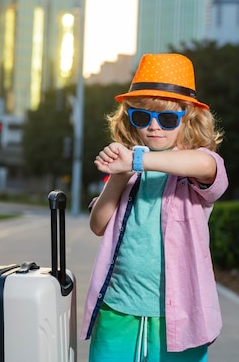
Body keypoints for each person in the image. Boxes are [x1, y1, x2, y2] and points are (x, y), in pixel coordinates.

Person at [81, 53, 229, 362]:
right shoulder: (128, 171)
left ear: (187, 120)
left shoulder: (193, 167)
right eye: (141, 117)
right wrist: (120, 175)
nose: (153, 127)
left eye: (167, 119)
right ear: (130, 120)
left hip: (178, 316)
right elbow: (98, 225)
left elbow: (206, 164)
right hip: (118, 309)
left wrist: (135, 159)